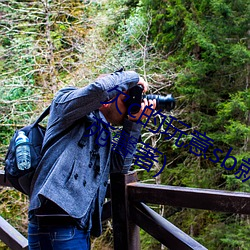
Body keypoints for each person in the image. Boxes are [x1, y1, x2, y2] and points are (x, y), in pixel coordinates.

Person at [27, 70, 156, 250]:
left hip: (74, 226)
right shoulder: (65, 102)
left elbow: (119, 165)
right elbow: (99, 89)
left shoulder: (102, 131)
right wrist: (134, 78)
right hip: (58, 224)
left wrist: (134, 122)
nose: (128, 106)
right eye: (125, 99)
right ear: (109, 96)